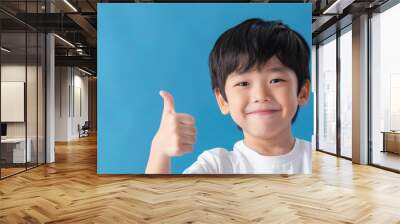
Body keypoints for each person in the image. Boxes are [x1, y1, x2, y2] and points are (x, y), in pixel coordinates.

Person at [145, 18, 312, 174]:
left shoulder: (320, 159)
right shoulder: (216, 166)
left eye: (276, 80)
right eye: (243, 83)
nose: (261, 96)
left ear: (302, 92)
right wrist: (159, 150)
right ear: (222, 100)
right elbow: (153, 204)